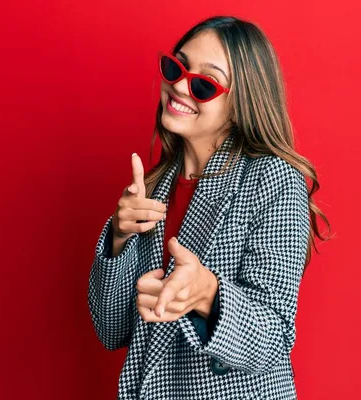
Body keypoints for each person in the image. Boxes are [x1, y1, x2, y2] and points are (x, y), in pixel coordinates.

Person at [87, 15, 332, 400]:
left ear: (240, 104)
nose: (180, 85)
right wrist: (119, 238)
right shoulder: (152, 188)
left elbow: (273, 339)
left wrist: (207, 295)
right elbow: (110, 330)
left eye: (204, 83)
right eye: (175, 67)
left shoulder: (273, 179)